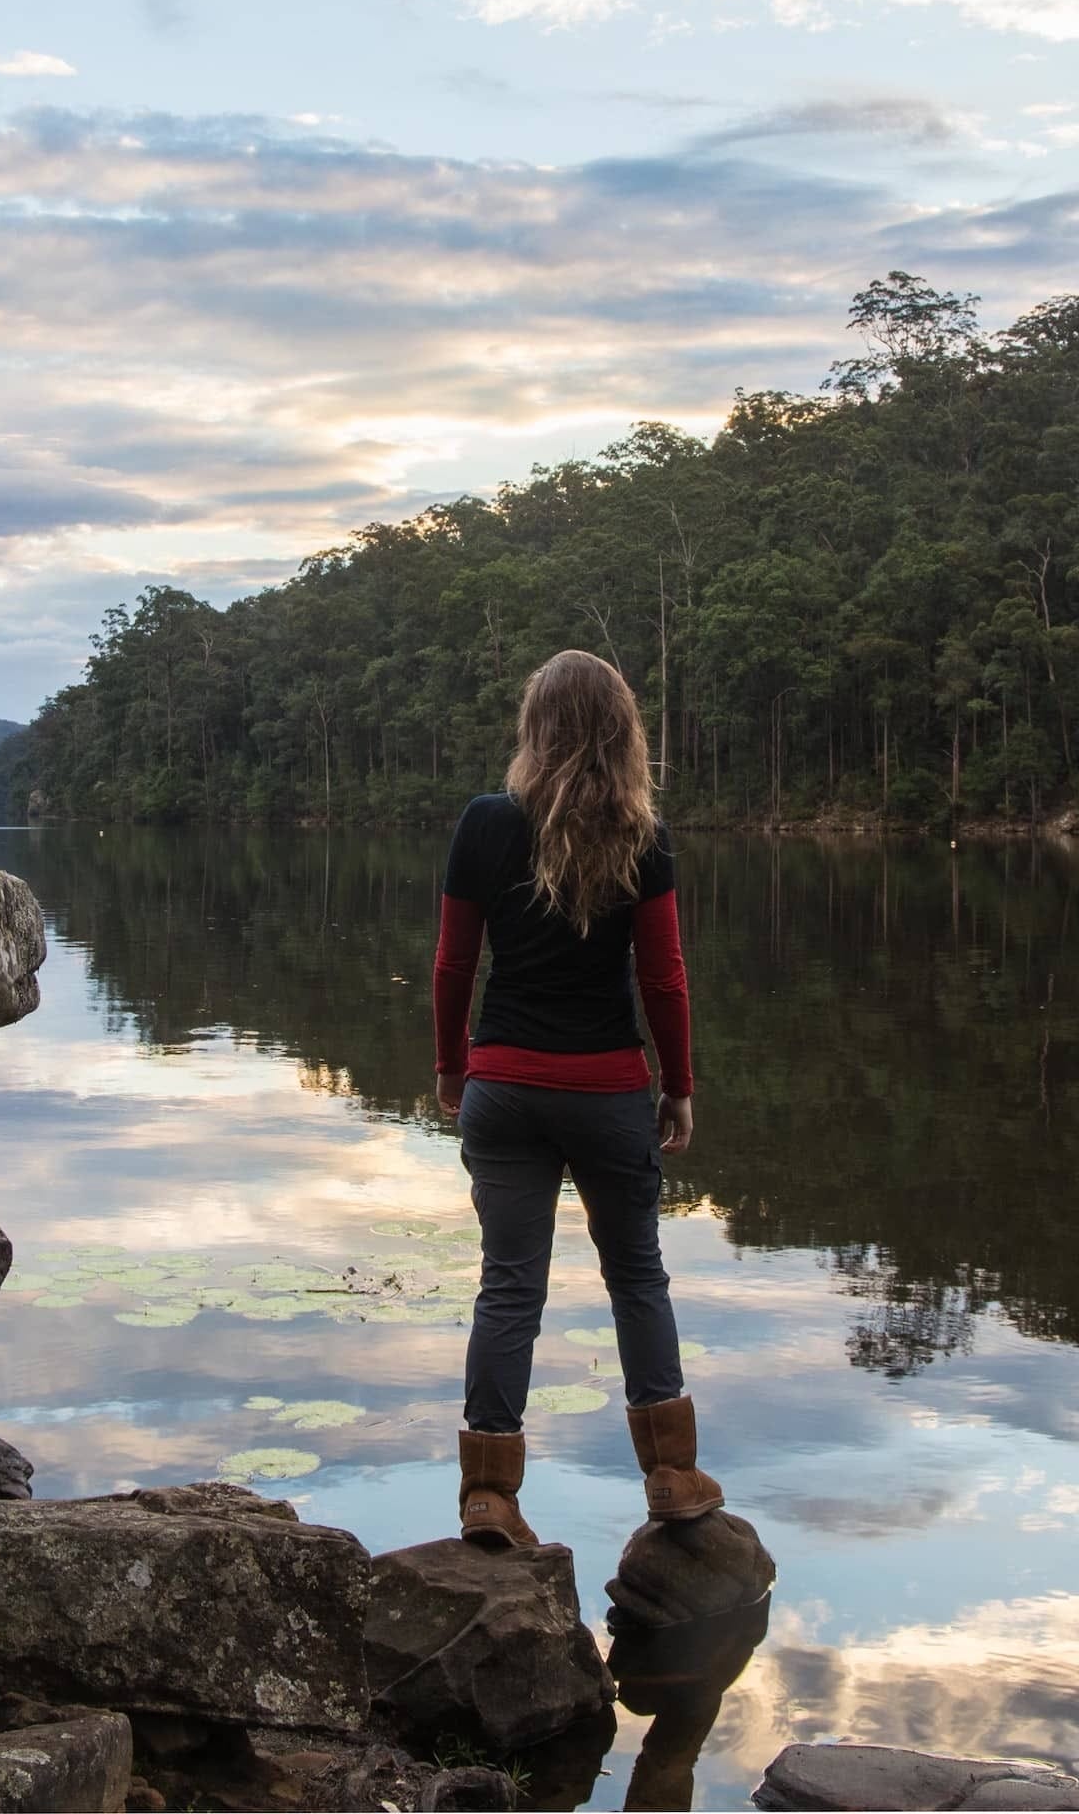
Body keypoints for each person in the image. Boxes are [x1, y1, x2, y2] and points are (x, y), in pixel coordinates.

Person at [432, 648, 723, 1545]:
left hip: (504, 1086)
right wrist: (677, 1087)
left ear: (535, 726)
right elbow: (664, 979)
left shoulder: (486, 822)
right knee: (637, 1274)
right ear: (622, 731)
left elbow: (452, 965)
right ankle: (670, 1475)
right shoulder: (644, 834)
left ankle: (489, 1492)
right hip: (606, 1092)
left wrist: (452, 1066)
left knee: (508, 1287)